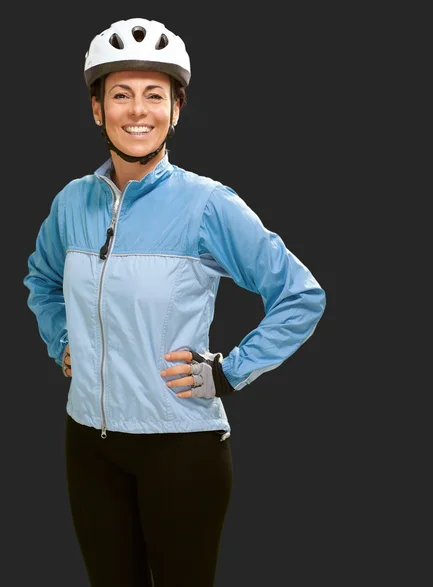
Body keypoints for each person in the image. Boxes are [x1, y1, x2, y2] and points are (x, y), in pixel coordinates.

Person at [23, 17, 326, 587]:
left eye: (154, 95)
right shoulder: (70, 204)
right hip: (88, 444)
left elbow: (300, 296)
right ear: (97, 109)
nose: (137, 110)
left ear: (176, 109)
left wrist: (229, 373)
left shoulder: (207, 206)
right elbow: (40, 279)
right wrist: (61, 341)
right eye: (121, 95)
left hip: (181, 451)